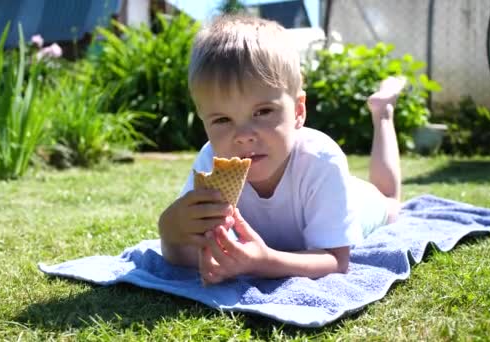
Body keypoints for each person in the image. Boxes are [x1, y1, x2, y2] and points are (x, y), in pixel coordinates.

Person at [157, 15, 404, 285]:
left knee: (390, 199)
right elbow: (185, 255)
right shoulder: (211, 161)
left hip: (356, 201)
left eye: (263, 112)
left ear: (298, 111)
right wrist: (170, 231)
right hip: (321, 200)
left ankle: (382, 113)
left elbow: (336, 260)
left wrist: (266, 263)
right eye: (222, 120)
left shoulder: (322, 160)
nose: (243, 136)